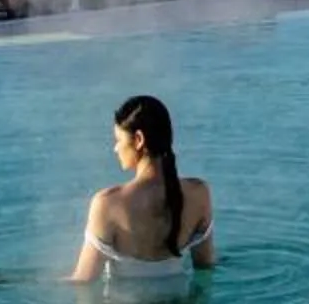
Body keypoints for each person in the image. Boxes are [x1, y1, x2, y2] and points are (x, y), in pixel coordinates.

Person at [68, 93, 217, 284]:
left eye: (118, 139)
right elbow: (206, 267)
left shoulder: (108, 204)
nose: (115, 148)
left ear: (138, 139)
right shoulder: (199, 194)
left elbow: (83, 281)